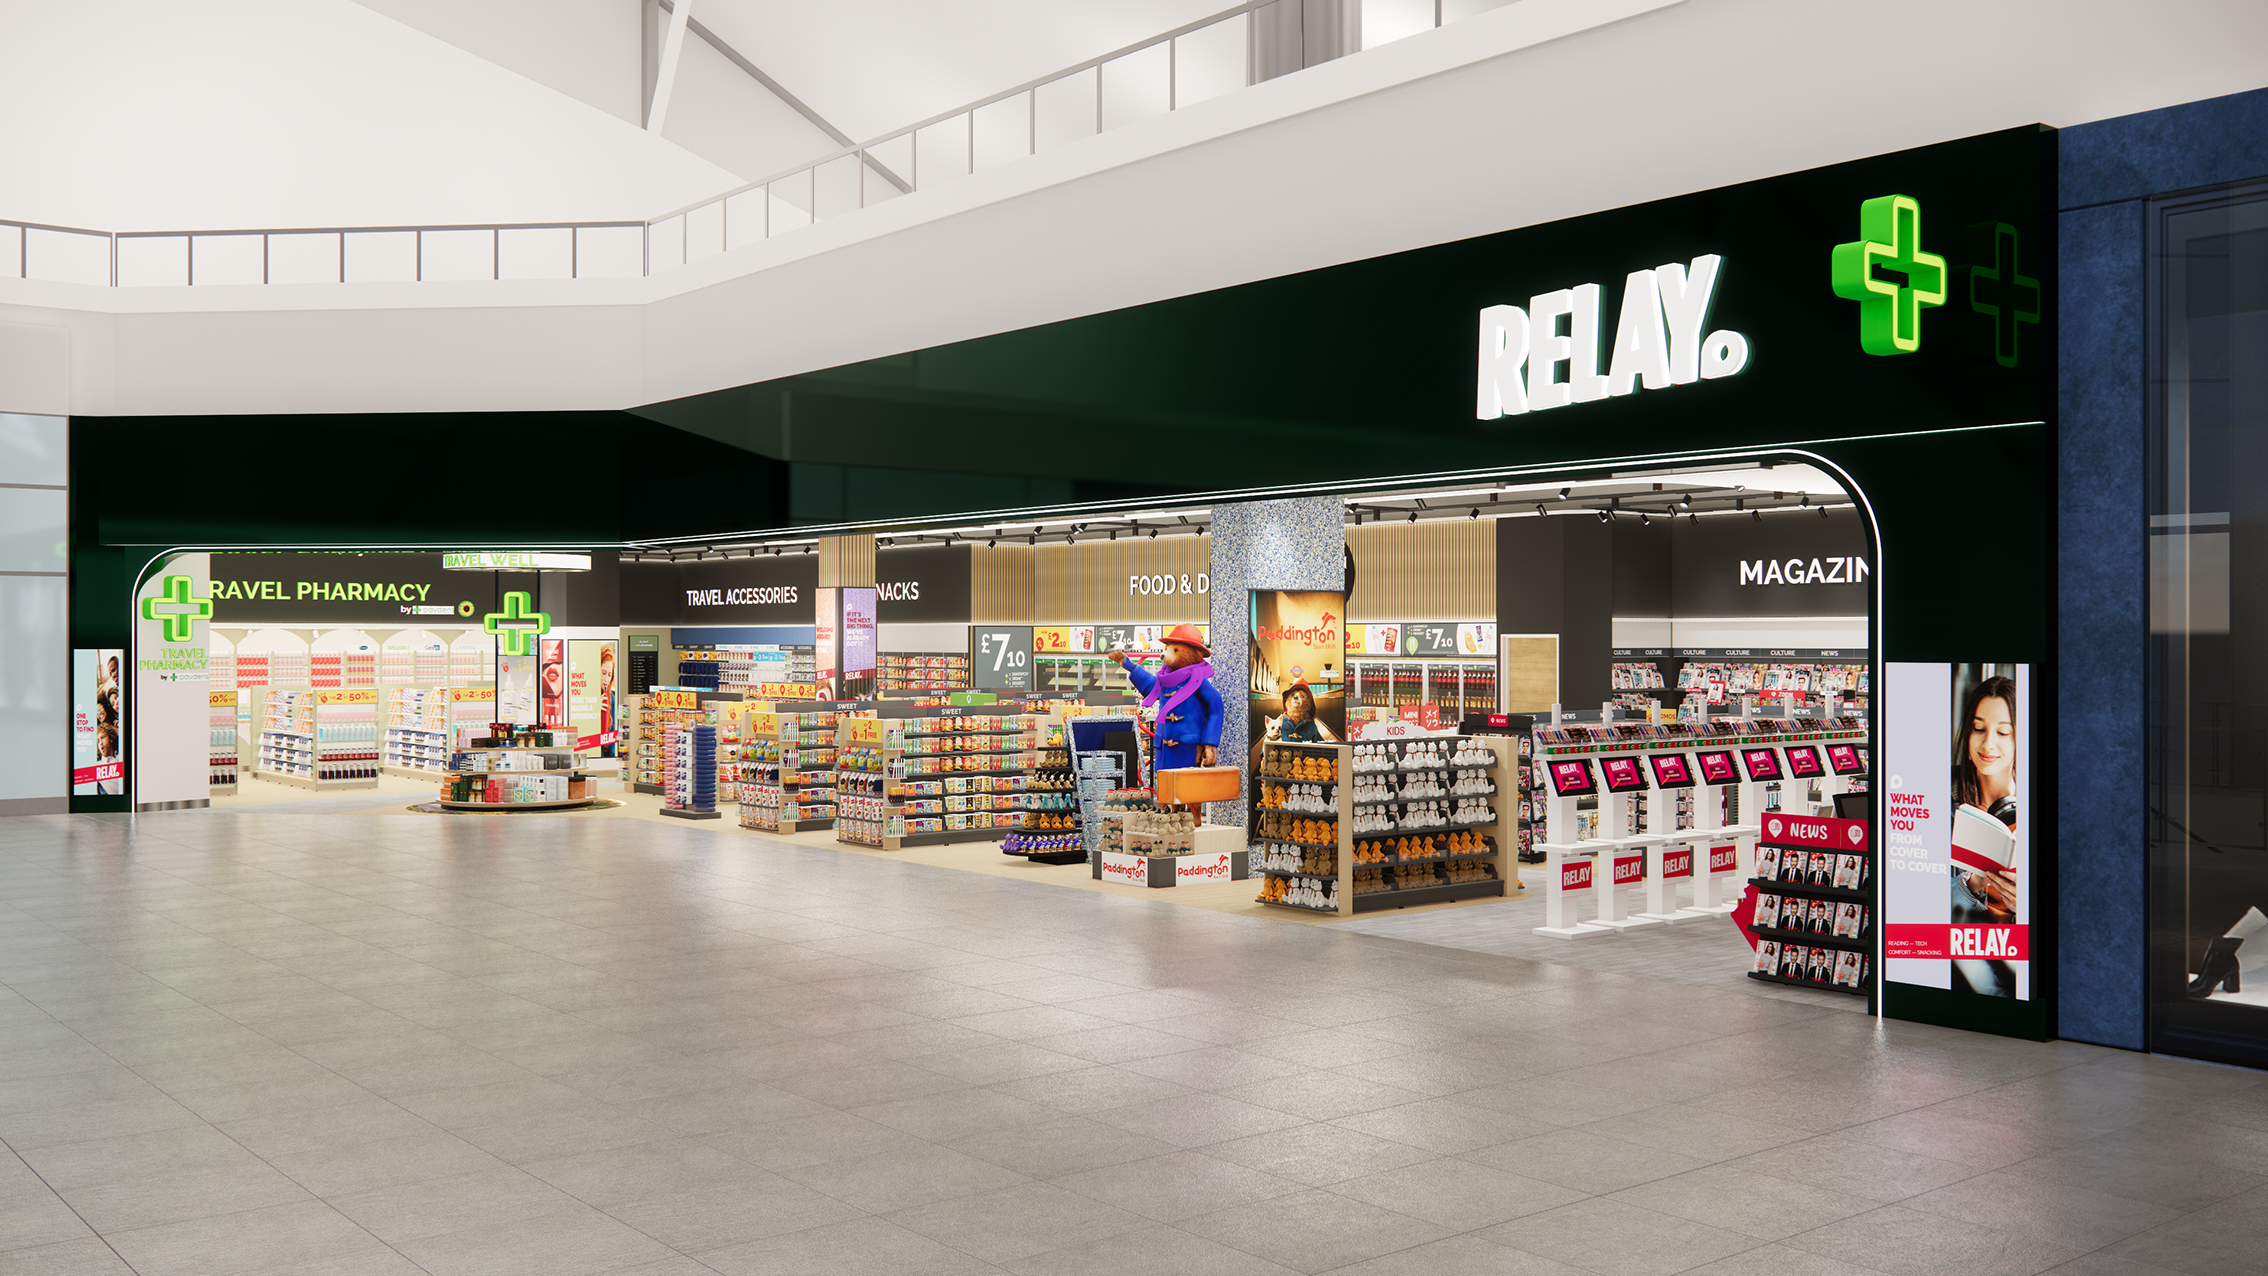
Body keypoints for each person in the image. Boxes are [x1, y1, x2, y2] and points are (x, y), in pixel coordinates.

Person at [1949, 673, 2019, 997]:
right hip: (1954, 953)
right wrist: (1974, 884)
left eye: (2003, 732)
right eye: (1979, 729)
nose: (1988, 744)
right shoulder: (1941, 797)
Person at [1103, 623, 1221, 770]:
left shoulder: (1198, 681)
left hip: (1188, 750)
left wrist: (1210, 744)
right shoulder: (1165, 680)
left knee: (1186, 783)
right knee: (1164, 782)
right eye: (1167, 648)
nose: (1165, 654)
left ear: (1193, 654)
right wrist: (1130, 666)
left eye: (1175, 650)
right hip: (1164, 750)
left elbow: (1216, 708)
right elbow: (1151, 686)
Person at [1267, 679, 1331, 743]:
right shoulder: (1280, 722)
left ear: (1307, 702)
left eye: (1302, 696)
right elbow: (1269, 740)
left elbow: (1317, 745)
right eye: (1292, 695)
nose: (1295, 697)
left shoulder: (1311, 726)